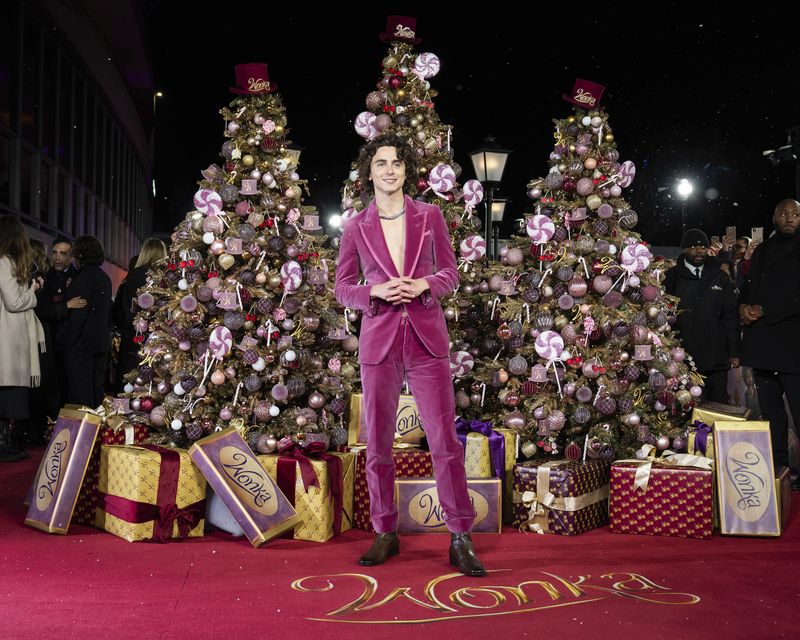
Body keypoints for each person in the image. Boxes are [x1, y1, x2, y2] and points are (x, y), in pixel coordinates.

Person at [334, 133, 484, 576]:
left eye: (397, 162)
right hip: (379, 342)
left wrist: (424, 285)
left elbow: (451, 274)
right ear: (370, 171)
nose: (389, 169)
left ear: (406, 171)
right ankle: (386, 532)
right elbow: (343, 288)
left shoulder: (430, 215)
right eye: (381, 163)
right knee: (378, 443)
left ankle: (460, 535)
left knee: (444, 442)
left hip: (426, 342)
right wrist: (374, 290)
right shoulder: (355, 226)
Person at [740, 199, 800, 484]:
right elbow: (750, 288)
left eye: (796, 214)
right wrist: (744, 307)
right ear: (774, 217)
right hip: (763, 346)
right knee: (772, 414)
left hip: (792, 346)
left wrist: (767, 309)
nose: (790, 218)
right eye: (784, 214)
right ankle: (781, 468)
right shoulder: (762, 250)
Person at [664, 229, 740, 403]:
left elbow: (730, 315)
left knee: (718, 405)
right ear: (684, 250)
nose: (698, 251)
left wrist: (734, 350)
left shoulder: (720, 276)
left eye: (702, 247)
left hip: (716, 354)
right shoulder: (672, 277)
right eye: (693, 247)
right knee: (689, 407)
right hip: (684, 358)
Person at [0, 216, 45, 462]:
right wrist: (33, 291)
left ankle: (7, 441)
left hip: (7, 336)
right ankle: (5, 444)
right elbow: (14, 302)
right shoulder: (4, 262)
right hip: (8, 338)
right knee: (9, 394)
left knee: (8, 394)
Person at [58, 236, 112, 408]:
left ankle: (83, 433)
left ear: (80, 254)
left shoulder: (82, 278)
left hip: (81, 344)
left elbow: (78, 315)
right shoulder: (104, 278)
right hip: (100, 342)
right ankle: (97, 429)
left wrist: (66, 341)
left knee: (80, 392)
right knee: (96, 390)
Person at [112, 239, 167, 389]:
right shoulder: (167, 277)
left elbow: (120, 308)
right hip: (160, 336)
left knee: (129, 375)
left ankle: (123, 408)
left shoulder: (132, 276)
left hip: (132, 335)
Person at [25, 240, 59, 445]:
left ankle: (31, 429)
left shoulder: (33, 278)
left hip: (34, 333)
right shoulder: (39, 280)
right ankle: (35, 431)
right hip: (40, 335)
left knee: (35, 384)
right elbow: (44, 308)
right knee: (40, 383)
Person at [43, 237, 84, 408]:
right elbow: (43, 309)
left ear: (71, 257)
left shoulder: (79, 277)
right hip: (49, 340)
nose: (57, 257)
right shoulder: (45, 277)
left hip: (71, 342)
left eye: (63, 253)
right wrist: (66, 305)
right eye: (55, 252)